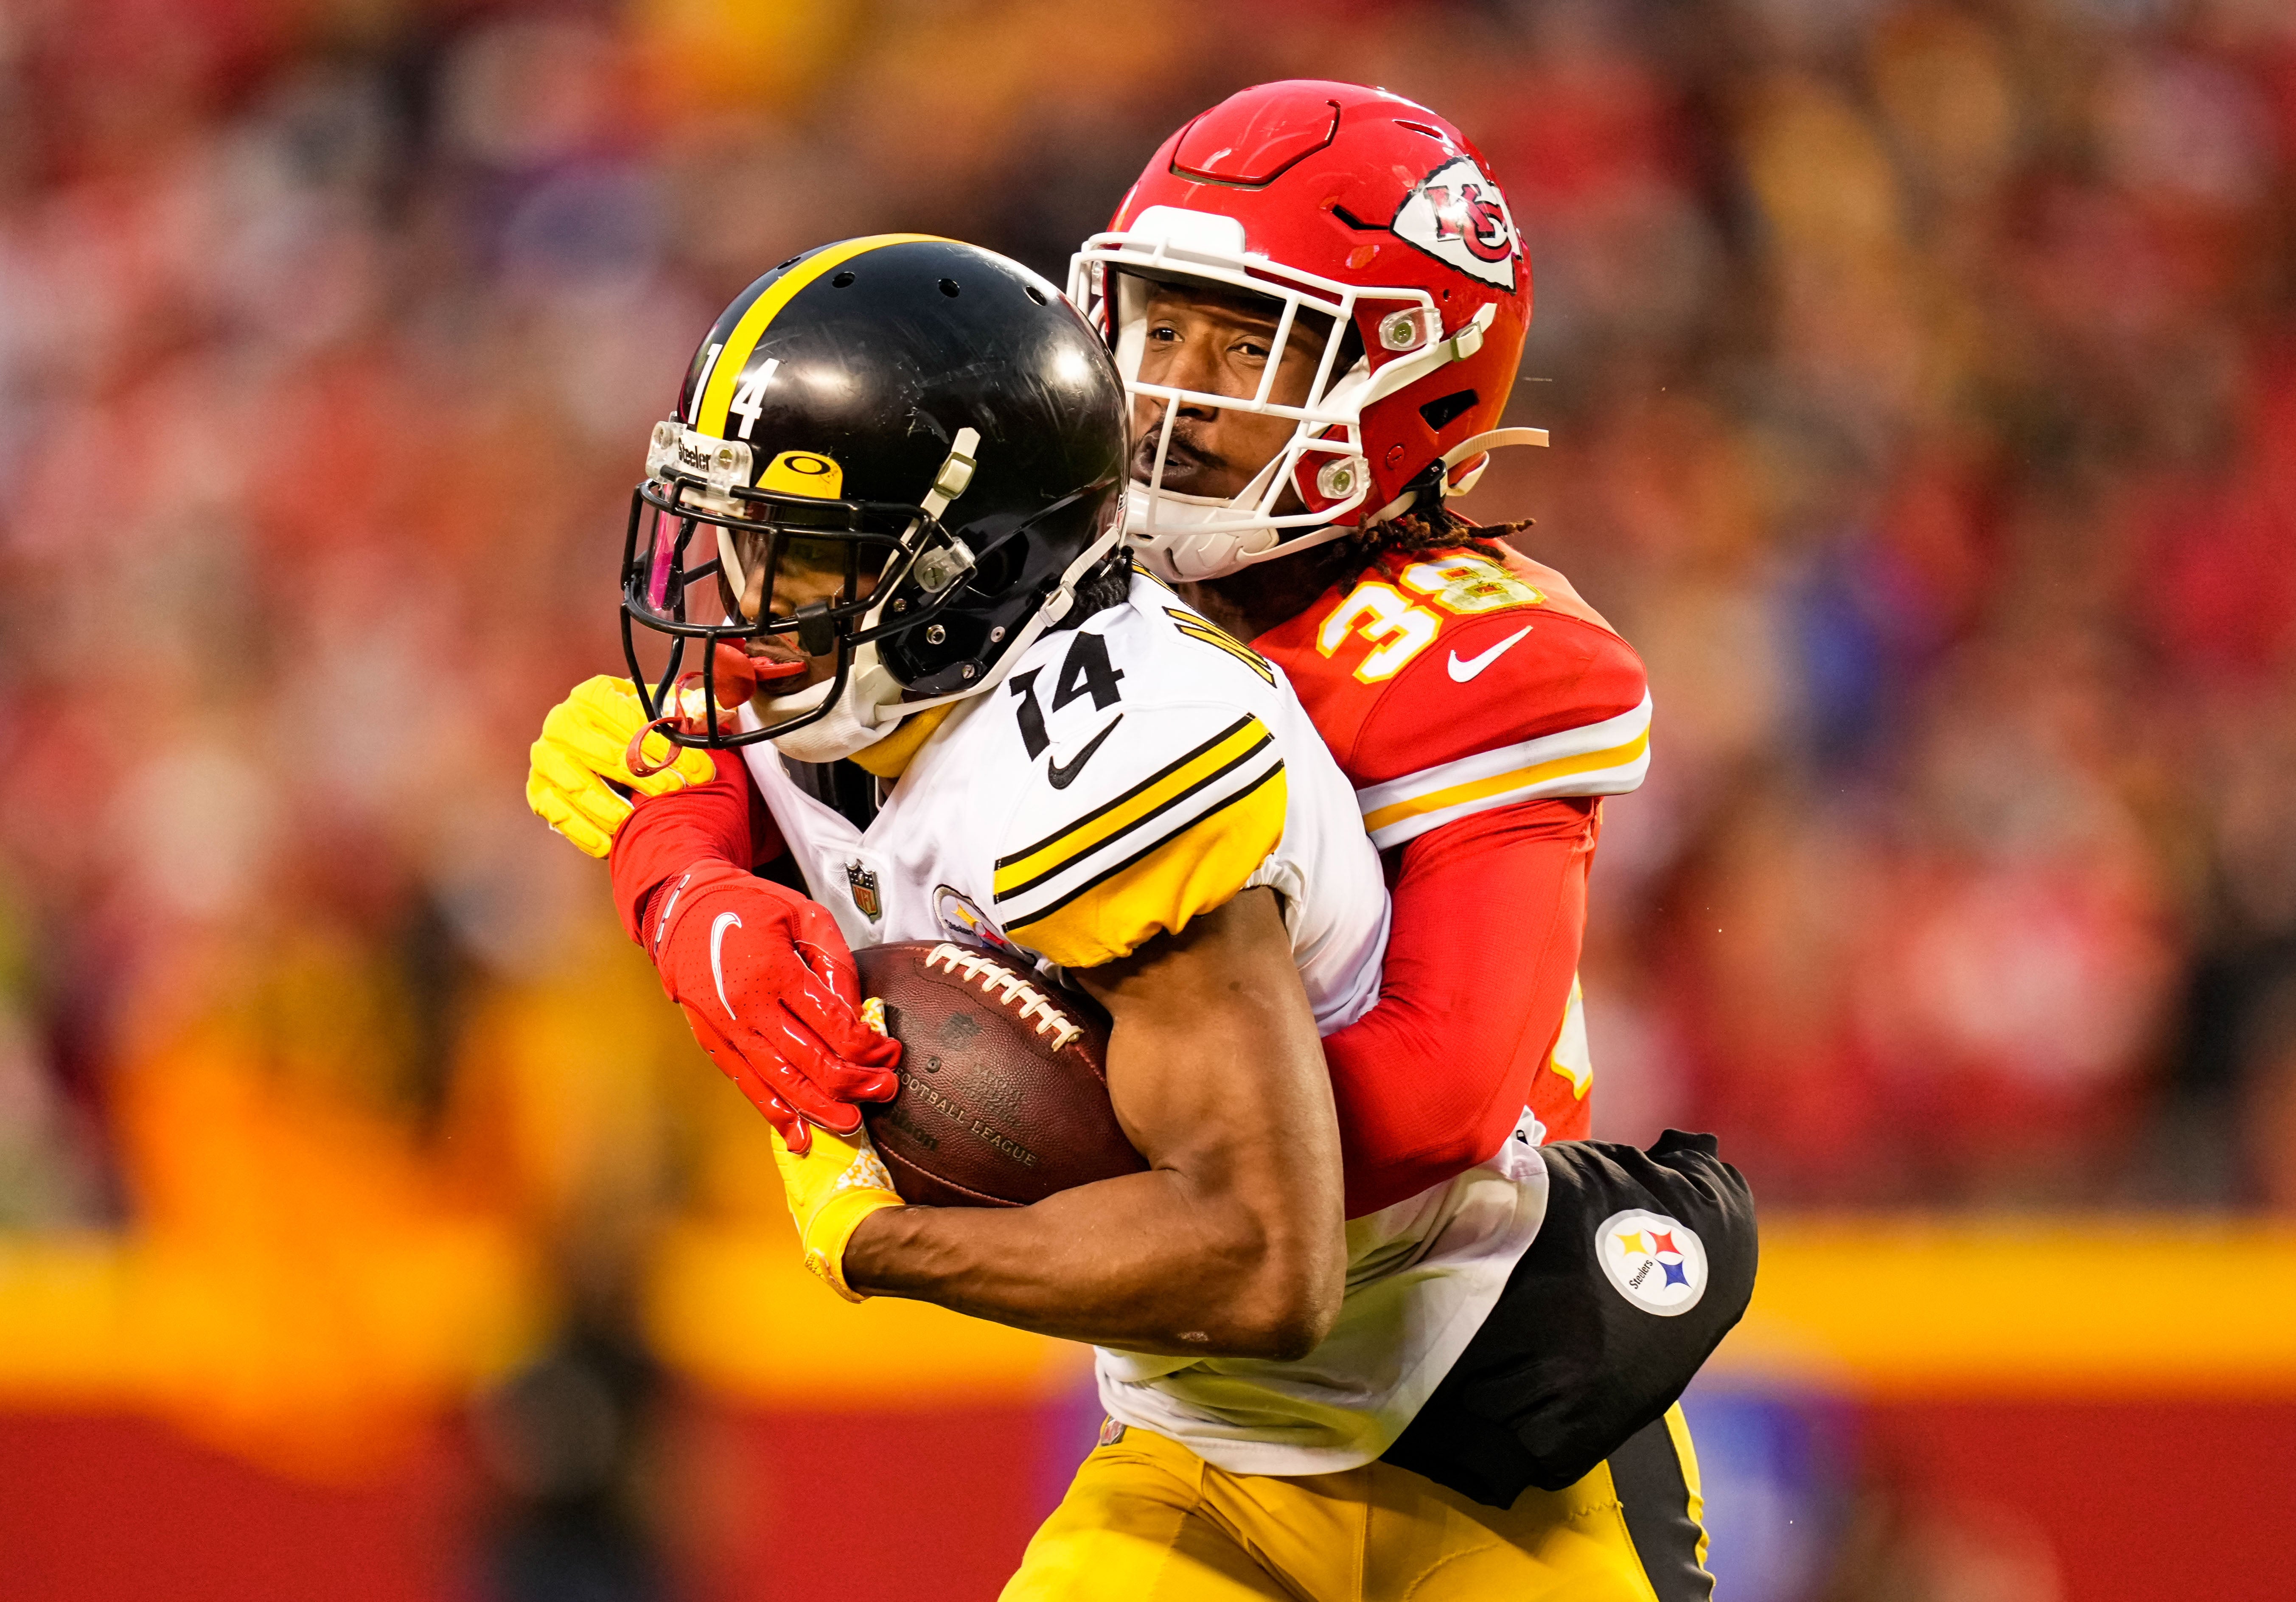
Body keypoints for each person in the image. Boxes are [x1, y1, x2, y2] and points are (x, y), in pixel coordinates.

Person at [530, 93, 1752, 1602]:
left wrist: (983, 1158)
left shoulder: (1470, 658)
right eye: (1157, 329)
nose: (1173, 392)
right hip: (1199, 1432)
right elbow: (705, 719)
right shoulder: (1031, 563)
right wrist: (692, 892)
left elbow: (1435, 1097)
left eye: (1247, 347)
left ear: (1409, 374)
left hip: (1484, 1393)